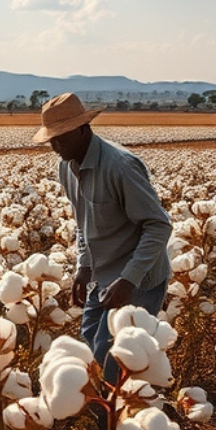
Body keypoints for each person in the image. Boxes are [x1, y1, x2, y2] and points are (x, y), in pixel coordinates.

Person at [35, 93, 172, 380]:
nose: (55, 145)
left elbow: (158, 225)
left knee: (110, 360)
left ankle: (115, 418)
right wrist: (84, 267)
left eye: (62, 137)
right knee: (89, 344)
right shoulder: (66, 166)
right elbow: (83, 221)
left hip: (138, 279)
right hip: (103, 275)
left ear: (84, 129)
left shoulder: (120, 166)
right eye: (51, 138)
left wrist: (128, 280)